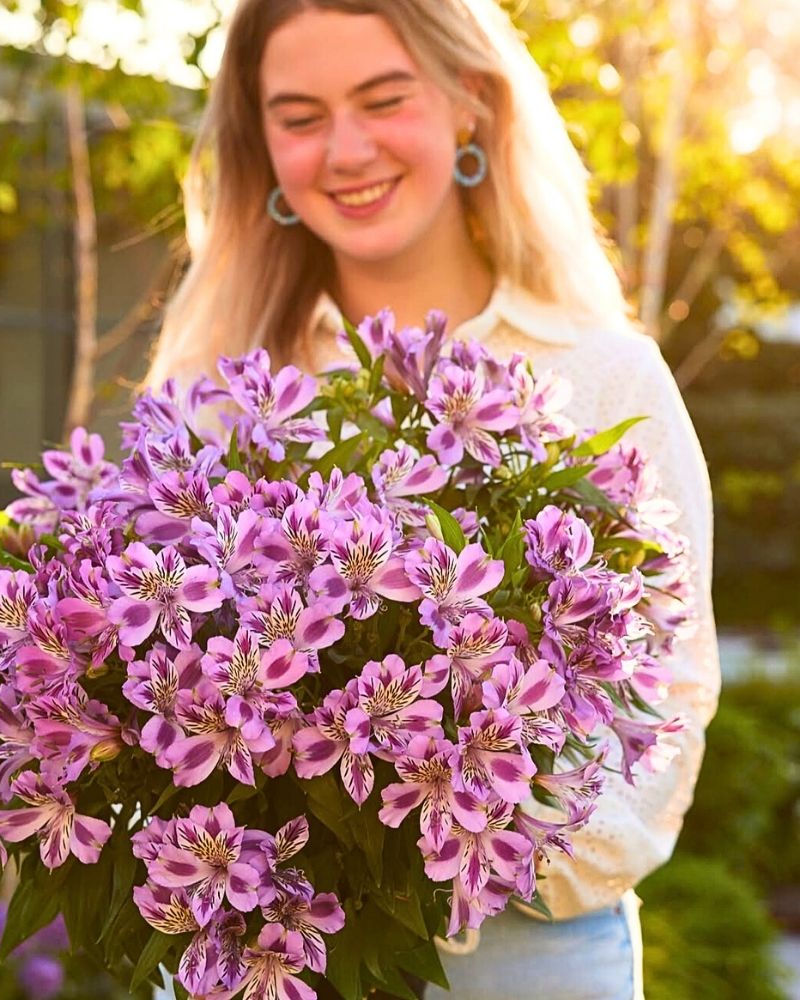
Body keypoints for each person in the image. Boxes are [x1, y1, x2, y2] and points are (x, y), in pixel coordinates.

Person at [145, 2, 721, 998]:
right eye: (299, 115)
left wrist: (507, 849)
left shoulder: (602, 376)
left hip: (527, 954)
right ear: (261, 149)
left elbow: (669, 688)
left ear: (469, 107)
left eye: (383, 99)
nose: (347, 149)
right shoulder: (206, 393)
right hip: (252, 956)